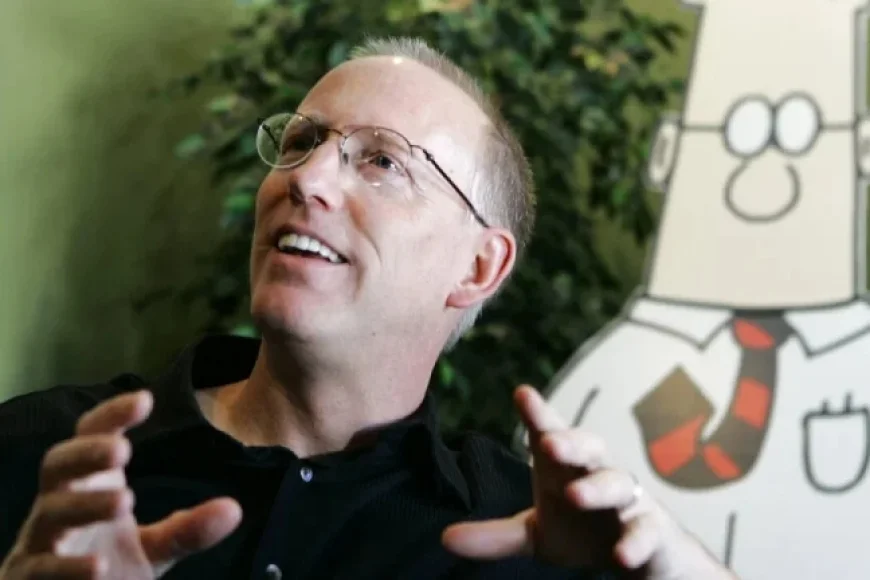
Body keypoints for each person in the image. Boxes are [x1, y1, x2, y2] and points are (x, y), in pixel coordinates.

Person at [0, 37, 735, 580]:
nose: (308, 178)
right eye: (302, 140)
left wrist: (670, 564)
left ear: (478, 267)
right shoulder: (39, 455)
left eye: (383, 161)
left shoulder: (534, 536)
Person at [541, 0, 870, 578]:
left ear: (861, 149)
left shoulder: (857, 363)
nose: (767, 174)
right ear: (668, 152)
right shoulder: (614, 372)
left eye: (799, 135)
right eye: (739, 135)